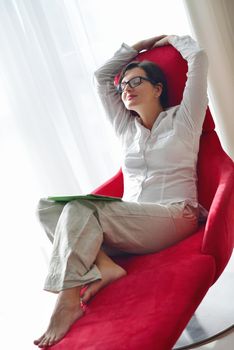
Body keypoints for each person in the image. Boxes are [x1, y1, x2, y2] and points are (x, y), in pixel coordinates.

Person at [34, 34, 208, 348]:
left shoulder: (185, 120)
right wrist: (136, 47)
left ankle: (68, 298)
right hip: (133, 223)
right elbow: (102, 78)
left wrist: (166, 40)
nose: (126, 88)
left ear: (157, 89)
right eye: (123, 85)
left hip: (174, 215)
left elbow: (199, 59)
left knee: (79, 209)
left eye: (136, 81)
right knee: (46, 208)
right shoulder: (127, 130)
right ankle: (104, 266)